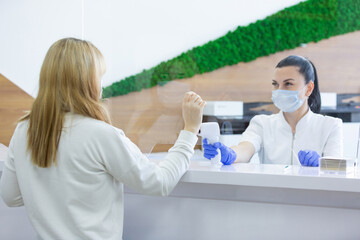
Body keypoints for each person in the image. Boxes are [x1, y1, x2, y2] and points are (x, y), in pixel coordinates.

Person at [0, 38, 206, 239]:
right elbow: (160, 182)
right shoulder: (101, 135)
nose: (101, 85)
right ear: (87, 82)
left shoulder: (23, 131)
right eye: (99, 76)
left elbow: (10, 197)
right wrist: (189, 129)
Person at [203, 55, 343, 167]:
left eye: (288, 84)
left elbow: (337, 169)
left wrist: (321, 164)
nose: (280, 90)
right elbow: (246, 148)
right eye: (275, 84)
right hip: (272, 199)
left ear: (309, 88)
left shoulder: (330, 126)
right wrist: (230, 154)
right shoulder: (262, 123)